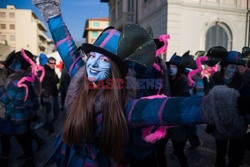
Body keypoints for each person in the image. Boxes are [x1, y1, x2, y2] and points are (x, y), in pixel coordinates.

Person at [33, 0, 247, 166]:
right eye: (92, 57)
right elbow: (66, 47)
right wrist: (52, 13)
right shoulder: (81, 77)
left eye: (104, 60)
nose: (94, 64)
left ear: (114, 71)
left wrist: (215, 106)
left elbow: (163, 109)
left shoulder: (124, 104)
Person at [0, 49, 43, 167]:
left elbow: (5, 99)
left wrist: (1, 89)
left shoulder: (15, 81)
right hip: (19, 117)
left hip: (13, 118)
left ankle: (26, 161)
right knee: (21, 140)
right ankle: (28, 160)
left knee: (14, 140)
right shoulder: (26, 79)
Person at [207, 50, 248, 167]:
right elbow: (210, 98)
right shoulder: (215, 78)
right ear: (224, 67)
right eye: (231, 67)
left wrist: (247, 73)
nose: (234, 70)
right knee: (220, 154)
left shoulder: (243, 79)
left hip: (237, 124)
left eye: (237, 68)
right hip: (220, 123)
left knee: (234, 156)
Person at [41, 57, 60, 134]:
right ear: (47, 63)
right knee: (49, 114)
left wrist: (56, 76)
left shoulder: (53, 70)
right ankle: (50, 130)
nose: (53, 65)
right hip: (48, 95)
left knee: (57, 112)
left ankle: (46, 125)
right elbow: (41, 83)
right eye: (51, 63)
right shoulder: (43, 70)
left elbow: (56, 81)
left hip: (54, 93)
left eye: (54, 63)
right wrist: (46, 94)